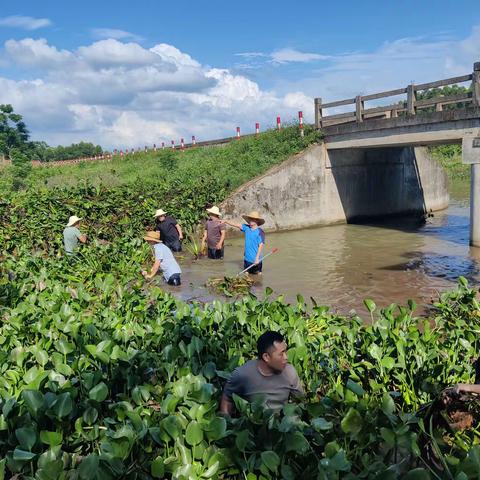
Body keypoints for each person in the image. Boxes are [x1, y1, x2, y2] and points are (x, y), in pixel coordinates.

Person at [220, 331, 303, 414]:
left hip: (281, 424)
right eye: (281, 354)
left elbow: (301, 400)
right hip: (252, 422)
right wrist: (228, 421)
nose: (286, 357)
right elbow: (227, 398)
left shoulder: (289, 372)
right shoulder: (242, 374)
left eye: (285, 352)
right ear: (266, 357)